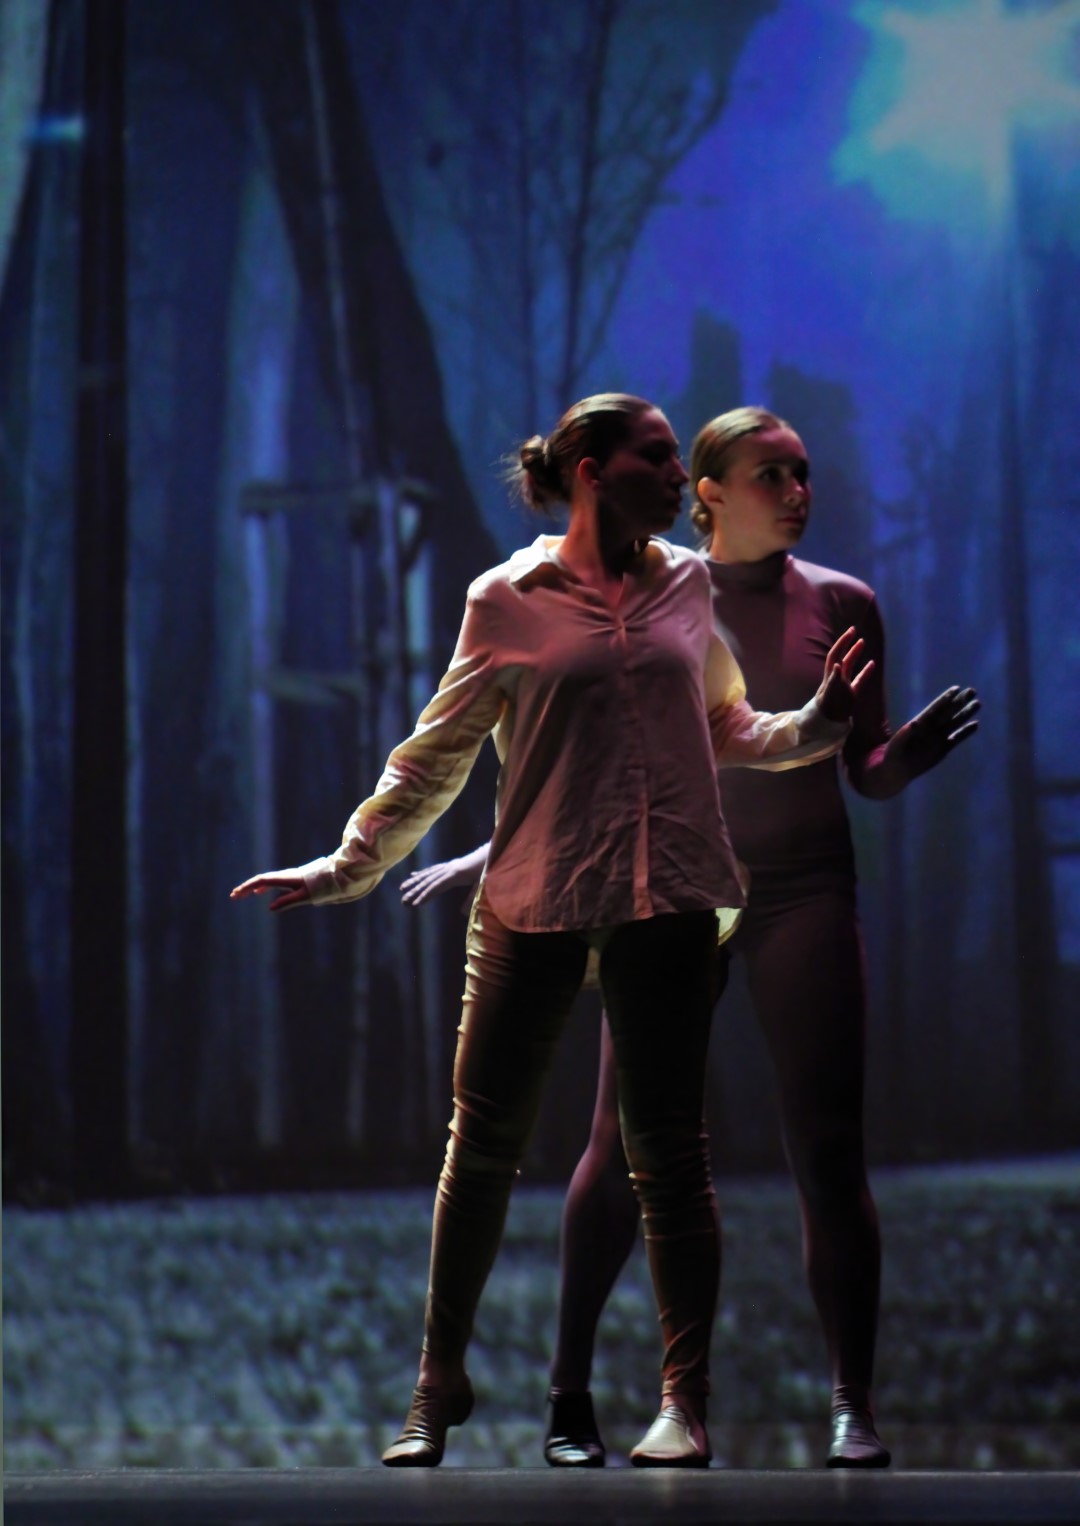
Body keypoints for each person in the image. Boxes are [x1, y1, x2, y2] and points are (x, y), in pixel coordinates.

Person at [232, 394, 872, 1469]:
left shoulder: (686, 585)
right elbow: (435, 755)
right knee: (482, 1147)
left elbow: (724, 721)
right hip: (538, 896)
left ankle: (682, 1404)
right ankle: (438, 1380)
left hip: (670, 898)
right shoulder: (508, 599)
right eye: (656, 457)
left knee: (671, 1155)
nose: (677, 476)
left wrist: (814, 726)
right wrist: (347, 864)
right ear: (590, 470)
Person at [401, 405, 979, 1470]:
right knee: (620, 1145)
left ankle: (848, 1404)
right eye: (773, 475)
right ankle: (571, 1393)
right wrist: (489, 853)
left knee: (824, 1144)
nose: (799, 492)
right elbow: (591, 757)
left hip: (800, 886)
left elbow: (855, 765)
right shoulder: (660, 586)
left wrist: (898, 755)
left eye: (804, 473)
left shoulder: (840, 600)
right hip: (668, 889)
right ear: (709, 494)